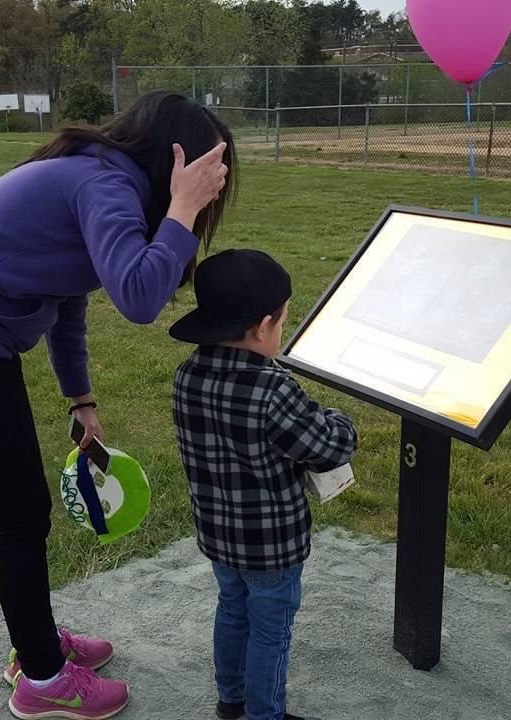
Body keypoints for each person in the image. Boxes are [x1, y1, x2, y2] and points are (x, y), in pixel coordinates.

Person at [0, 91, 237, 720]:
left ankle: (36, 644)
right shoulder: (104, 185)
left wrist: (81, 397)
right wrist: (181, 210)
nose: (207, 199)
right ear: (173, 162)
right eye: (204, 182)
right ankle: (43, 678)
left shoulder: (99, 178)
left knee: (20, 508)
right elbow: (138, 297)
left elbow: (67, 297)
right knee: (19, 512)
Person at [169, 249, 358, 720]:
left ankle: (230, 700)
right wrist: (340, 419)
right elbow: (329, 447)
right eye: (282, 322)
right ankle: (264, 714)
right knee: (271, 632)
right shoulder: (273, 391)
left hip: (217, 533)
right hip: (272, 544)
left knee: (233, 609)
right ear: (263, 327)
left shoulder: (187, 375)